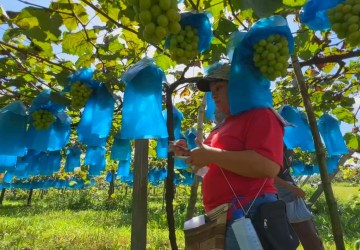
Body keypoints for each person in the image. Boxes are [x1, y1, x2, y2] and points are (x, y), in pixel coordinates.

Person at [170, 63, 289, 249]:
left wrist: (212, 155)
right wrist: (187, 155)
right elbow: (205, 167)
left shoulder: (261, 115)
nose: (214, 95)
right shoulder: (223, 126)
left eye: (219, 88)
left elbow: (268, 167)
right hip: (223, 216)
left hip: (250, 211)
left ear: (239, 86)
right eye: (211, 91)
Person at [275, 147, 324, 250]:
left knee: (309, 232)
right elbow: (267, 173)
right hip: (281, 191)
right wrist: (292, 188)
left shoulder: (286, 144)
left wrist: (293, 187)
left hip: (289, 190)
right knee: (305, 231)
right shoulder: (273, 141)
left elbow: (285, 172)